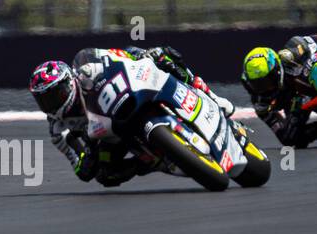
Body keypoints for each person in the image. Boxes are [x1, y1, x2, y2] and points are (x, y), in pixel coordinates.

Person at [29, 46, 234, 187]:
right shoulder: (58, 130)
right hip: (109, 136)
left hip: (124, 97)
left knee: (162, 57)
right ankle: (151, 161)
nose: (53, 102)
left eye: (57, 94)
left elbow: (118, 56)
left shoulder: (86, 71)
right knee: (105, 175)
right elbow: (80, 168)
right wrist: (89, 155)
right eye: (45, 100)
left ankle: (211, 96)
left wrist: (141, 54)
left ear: (70, 82)